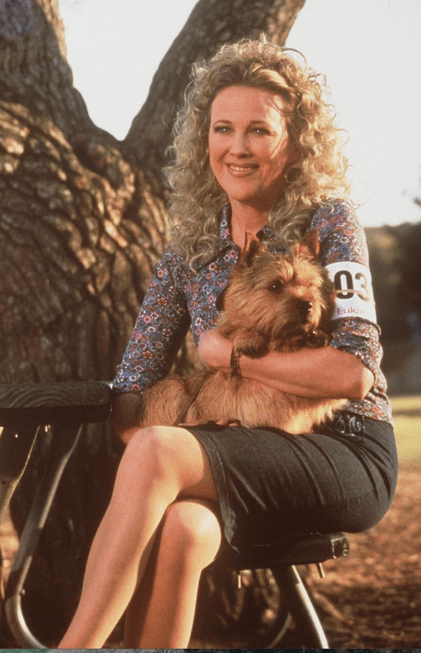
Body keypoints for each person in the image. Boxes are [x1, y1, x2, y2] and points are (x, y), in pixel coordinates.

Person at [58, 40, 397, 648]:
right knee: (184, 525)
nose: (237, 147)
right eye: (223, 129)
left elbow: (353, 374)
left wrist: (233, 359)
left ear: (296, 143)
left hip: (343, 452)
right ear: (203, 141)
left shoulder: (329, 222)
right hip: (236, 450)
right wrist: (169, 448)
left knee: (161, 451)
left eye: (259, 131)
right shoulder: (189, 252)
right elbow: (132, 387)